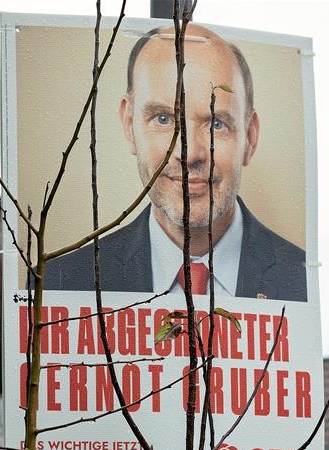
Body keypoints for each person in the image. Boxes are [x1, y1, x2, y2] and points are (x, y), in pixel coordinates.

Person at [44, 24, 308, 301]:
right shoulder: (59, 283)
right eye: (163, 119)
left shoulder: (306, 284)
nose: (190, 153)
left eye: (216, 123)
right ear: (129, 124)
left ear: (250, 137)